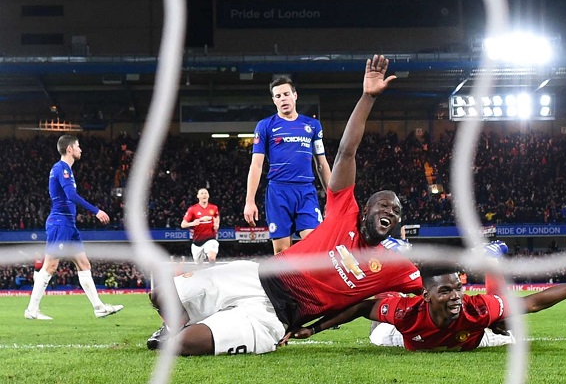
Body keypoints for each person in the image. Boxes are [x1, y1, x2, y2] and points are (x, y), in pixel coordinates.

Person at [147, 55, 422, 356]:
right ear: (365, 210)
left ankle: (212, 324)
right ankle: (191, 320)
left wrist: (315, 327)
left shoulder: (390, 266)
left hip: (277, 314)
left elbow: (422, 290)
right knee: (160, 295)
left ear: (295, 96)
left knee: (184, 346)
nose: (390, 212)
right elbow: (345, 153)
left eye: (395, 212)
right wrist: (367, 98)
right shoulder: (343, 210)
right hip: (255, 273)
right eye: (383, 206)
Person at [290, 259, 566, 352]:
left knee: (510, 328)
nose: (455, 297)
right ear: (426, 296)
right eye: (445, 292)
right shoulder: (406, 313)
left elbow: (533, 303)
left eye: (458, 289)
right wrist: (315, 328)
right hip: (403, 337)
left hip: (472, 338)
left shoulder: (474, 307)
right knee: (377, 333)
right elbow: (362, 305)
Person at [24, 135, 123, 320]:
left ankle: (98, 307)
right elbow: (70, 195)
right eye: (78, 146)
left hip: (69, 224)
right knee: (51, 265)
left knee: (84, 264)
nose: (80, 149)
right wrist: (96, 211)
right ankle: (32, 309)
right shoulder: (61, 168)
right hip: (60, 223)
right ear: (69, 148)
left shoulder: (66, 169)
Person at [244, 76, 332, 254]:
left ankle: (309, 281)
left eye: (286, 94)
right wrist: (249, 201)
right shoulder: (265, 126)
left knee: (314, 245)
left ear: (295, 95)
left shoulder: (312, 125)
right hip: (278, 192)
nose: (283, 99)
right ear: (273, 100)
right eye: (278, 96)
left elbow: (322, 164)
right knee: (282, 252)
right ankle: (287, 282)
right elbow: (256, 165)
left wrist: (334, 198)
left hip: (306, 191)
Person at [181, 188, 220, 264]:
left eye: (206, 193)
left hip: (210, 238)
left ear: (208, 195)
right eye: (202, 193)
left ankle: (213, 273)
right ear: (198, 196)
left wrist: (217, 224)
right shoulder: (192, 209)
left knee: (212, 257)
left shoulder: (214, 208)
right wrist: (192, 223)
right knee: (199, 265)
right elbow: (183, 224)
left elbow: (216, 216)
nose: (204, 195)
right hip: (197, 242)